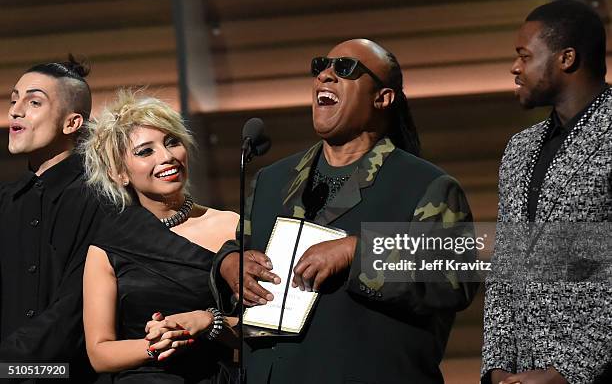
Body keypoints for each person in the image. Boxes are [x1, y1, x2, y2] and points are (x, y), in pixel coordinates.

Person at [211, 38, 478, 383]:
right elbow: (242, 246)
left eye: (345, 69)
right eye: (320, 66)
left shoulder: (426, 185)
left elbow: (455, 275)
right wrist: (230, 264)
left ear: (382, 98)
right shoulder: (271, 179)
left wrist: (358, 250)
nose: (325, 75)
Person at [481, 0, 612, 384]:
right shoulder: (519, 148)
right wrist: (497, 366)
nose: (515, 67)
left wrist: (569, 372)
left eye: (524, 56)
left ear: (566, 58)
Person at [79, 90, 238, 383]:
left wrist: (207, 321)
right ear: (118, 173)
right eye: (145, 151)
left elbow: (265, 326)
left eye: (172, 142)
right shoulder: (106, 247)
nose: (167, 157)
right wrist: (160, 343)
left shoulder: (231, 225)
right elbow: (99, 353)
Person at [0, 56, 101, 382]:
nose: (15, 110)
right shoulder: (5, 202)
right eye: (14, 99)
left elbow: (73, 311)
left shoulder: (102, 199)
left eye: (33, 102)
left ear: (71, 123)